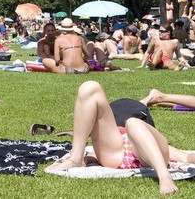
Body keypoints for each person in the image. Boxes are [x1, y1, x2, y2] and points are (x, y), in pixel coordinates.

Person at [45, 81, 195, 195]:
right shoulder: (121, 128)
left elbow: (188, 157)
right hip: (116, 153)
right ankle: (75, 159)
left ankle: (164, 176)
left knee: (133, 122)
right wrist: (88, 157)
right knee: (89, 87)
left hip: (145, 158)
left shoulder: (154, 143)